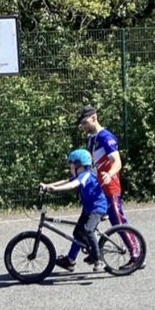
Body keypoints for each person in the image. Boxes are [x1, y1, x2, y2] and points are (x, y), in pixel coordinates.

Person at [60, 104, 139, 268]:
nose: (83, 127)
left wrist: (110, 174)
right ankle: (71, 258)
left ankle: (136, 256)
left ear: (94, 118)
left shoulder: (105, 137)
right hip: (95, 190)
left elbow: (117, 162)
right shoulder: (91, 139)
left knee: (117, 221)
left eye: (84, 122)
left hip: (110, 188)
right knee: (83, 224)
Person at [40, 149, 108, 272]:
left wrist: (54, 189)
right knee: (77, 234)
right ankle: (70, 261)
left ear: (79, 165)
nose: (70, 169)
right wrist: (48, 185)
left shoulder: (86, 174)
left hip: (97, 208)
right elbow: (66, 181)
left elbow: (73, 185)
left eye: (71, 166)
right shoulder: (80, 174)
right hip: (88, 208)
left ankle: (99, 260)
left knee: (88, 230)